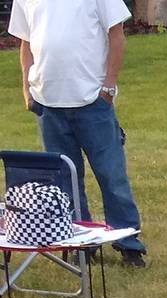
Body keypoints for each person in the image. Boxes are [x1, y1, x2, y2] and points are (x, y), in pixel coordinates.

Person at [9, 0, 148, 267]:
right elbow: (26, 43)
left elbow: (116, 35)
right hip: (48, 104)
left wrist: (108, 86)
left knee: (111, 176)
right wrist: (27, 89)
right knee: (65, 182)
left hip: (92, 103)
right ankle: (80, 244)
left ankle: (129, 244)